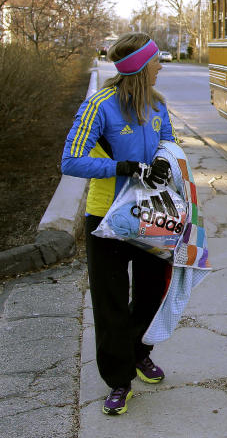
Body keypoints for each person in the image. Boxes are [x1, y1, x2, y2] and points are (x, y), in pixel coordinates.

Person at [61, 33, 176, 415]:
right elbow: (71, 160)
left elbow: (170, 146)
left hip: (152, 216)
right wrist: (121, 167)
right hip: (106, 219)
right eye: (156, 60)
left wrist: (165, 160)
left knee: (152, 295)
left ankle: (138, 353)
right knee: (109, 304)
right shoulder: (100, 106)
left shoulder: (158, 106)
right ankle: (118, 379)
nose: (162, 65)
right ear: (141, 67)